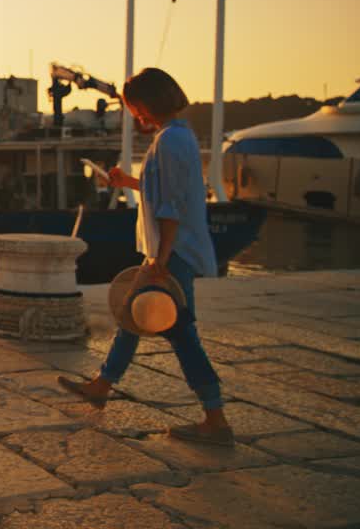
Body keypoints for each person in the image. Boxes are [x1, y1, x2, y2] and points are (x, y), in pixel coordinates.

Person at [57, 67, 233, 445]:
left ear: (147, 104)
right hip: (170, 250)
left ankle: (215, 418)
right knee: (131, 317)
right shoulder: (180, 136)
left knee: (181, 333)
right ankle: (102, 385)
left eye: (134, 106)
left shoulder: (168, 142)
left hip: (172, 252)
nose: (134, 115)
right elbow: (172, 190)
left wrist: (159, 260)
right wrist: (128, 183)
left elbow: (170, 207)